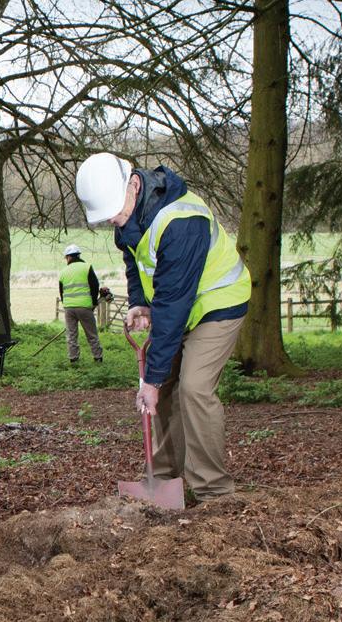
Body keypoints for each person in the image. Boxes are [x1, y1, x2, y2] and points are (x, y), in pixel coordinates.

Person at [75, 152, 251, 501]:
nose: (113, 219)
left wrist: (151, 381)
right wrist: (139, 301)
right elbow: (135, 260)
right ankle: (166, 477)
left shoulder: (181, 222)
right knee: (166, 388)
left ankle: (213, 490)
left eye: (115, 210)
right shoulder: (129, 215)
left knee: (194, 387)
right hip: (180, 303)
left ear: (134, 184)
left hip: (218, 301)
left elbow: (173, 306)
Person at [57, 244, 105, 364]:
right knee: (91, 334)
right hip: (84, 307)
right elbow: (95, 285)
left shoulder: (63, 272)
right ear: (78, 255)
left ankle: (73, 359)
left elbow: (61, 292)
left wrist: (66, 303)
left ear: (68, 257)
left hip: (69, 308)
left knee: (71, 335)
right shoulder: (87, 267)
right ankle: (98, 357)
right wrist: (93, 302)